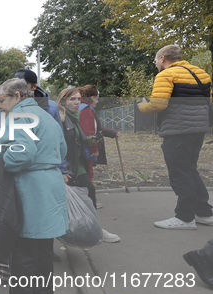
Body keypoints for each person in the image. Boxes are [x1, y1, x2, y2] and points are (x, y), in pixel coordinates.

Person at [0, 78, 68, 294]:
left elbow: (21, 155)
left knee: (23, 252)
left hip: (30, 189)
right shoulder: (46, 115)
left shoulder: (19, 117)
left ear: (16, 95)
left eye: (1, 100)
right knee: (44, 249)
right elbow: (63, 150)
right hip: (51, 186)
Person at [138, 44, 213, 230]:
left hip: (178, 131)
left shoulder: (165, 75)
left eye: (155, 60)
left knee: (180, 173)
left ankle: (185, 217)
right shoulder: (201, 73)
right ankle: (204, 213)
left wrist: (141, 106)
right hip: (198, 130)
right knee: (189, 169)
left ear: (163, 58)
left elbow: (159, 104)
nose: (155, 63)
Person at [57, 87, 120, 243]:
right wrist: (62, 170)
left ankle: (91, 230)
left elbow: (78, 137)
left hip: (77, 165)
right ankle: (88, 231)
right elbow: (57, 146)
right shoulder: (61, 119)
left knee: (86, 195)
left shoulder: (73, 117)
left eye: (78, 99)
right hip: (69, 167)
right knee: (82, 195)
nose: (77, 102)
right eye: (72, 99)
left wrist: (88, 140)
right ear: (63, 101)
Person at [0, 69, 62, 135]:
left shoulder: (52, 107)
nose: (18, 88)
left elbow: (59, 135)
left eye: (23, 85)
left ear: (34, 87)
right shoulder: (7, 106)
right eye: (15, 85)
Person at [78, 85, 120, 181]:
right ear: (92, 98)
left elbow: (97, 128)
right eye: (96, 99)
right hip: (84, 149)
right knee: (87, 174)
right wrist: (94, 149)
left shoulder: (81, 107)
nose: (97, 101)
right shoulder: (86, 110)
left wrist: (112, 133)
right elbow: (89, 133)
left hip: (80, 148)